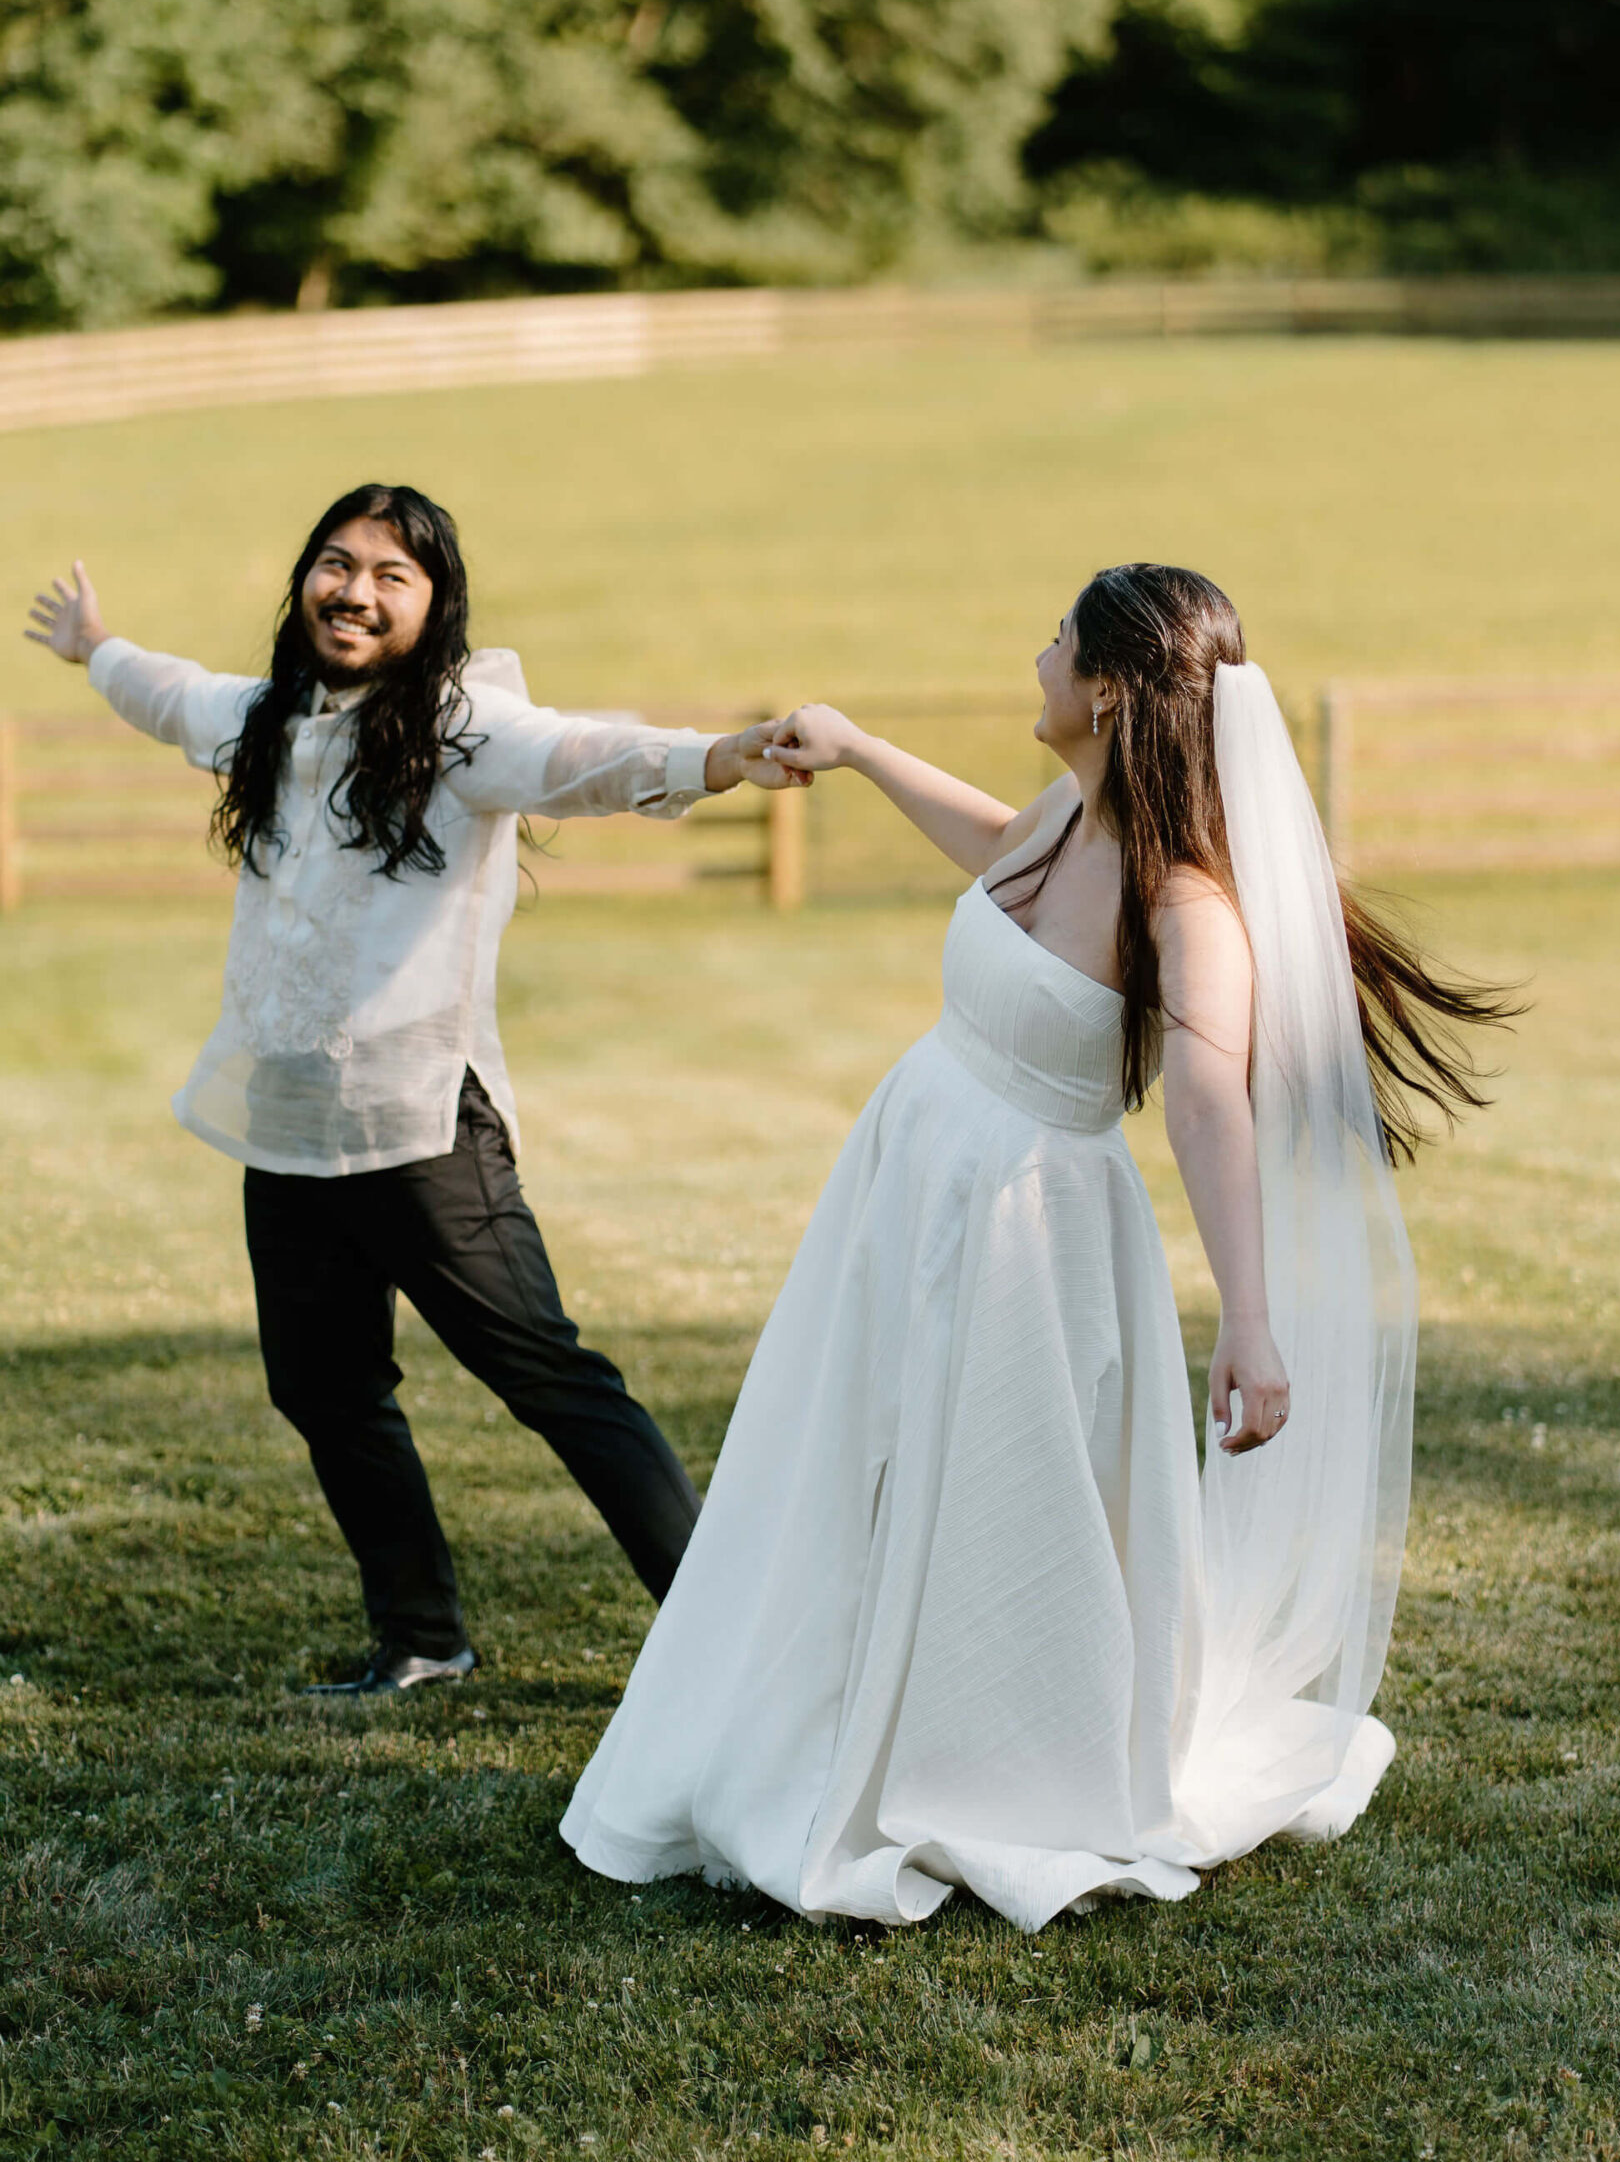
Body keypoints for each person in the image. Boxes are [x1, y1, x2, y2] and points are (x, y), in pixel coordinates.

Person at [561, 563, 1511, 1929]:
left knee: (990, 1499)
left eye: (1055, 640)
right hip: (912, 1181)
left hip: (1021, 1231)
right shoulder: (1070, 814)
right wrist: (863, 749)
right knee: (854, 1468)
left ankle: (970, 1759)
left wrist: (1248, 1321)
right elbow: (991, 842)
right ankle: (815, 1722)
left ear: (1108, 691)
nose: (1033, 655)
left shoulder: (1187, 906)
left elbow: (1203, 1104)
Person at [25, 484, 801, 1697]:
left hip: (419, 1122)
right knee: (326, 1389)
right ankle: (423, 1636)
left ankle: (732, 1640)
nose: (355, 591)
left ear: (433, 604)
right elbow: (167, 692)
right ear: (303, 583)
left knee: (551, 1379)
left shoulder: (459, 727)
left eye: (392, 574)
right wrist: (95, 649)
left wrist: (714, 759)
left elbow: (582, 756)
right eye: (336, 565)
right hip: (284, 1125)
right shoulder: (266, 718)